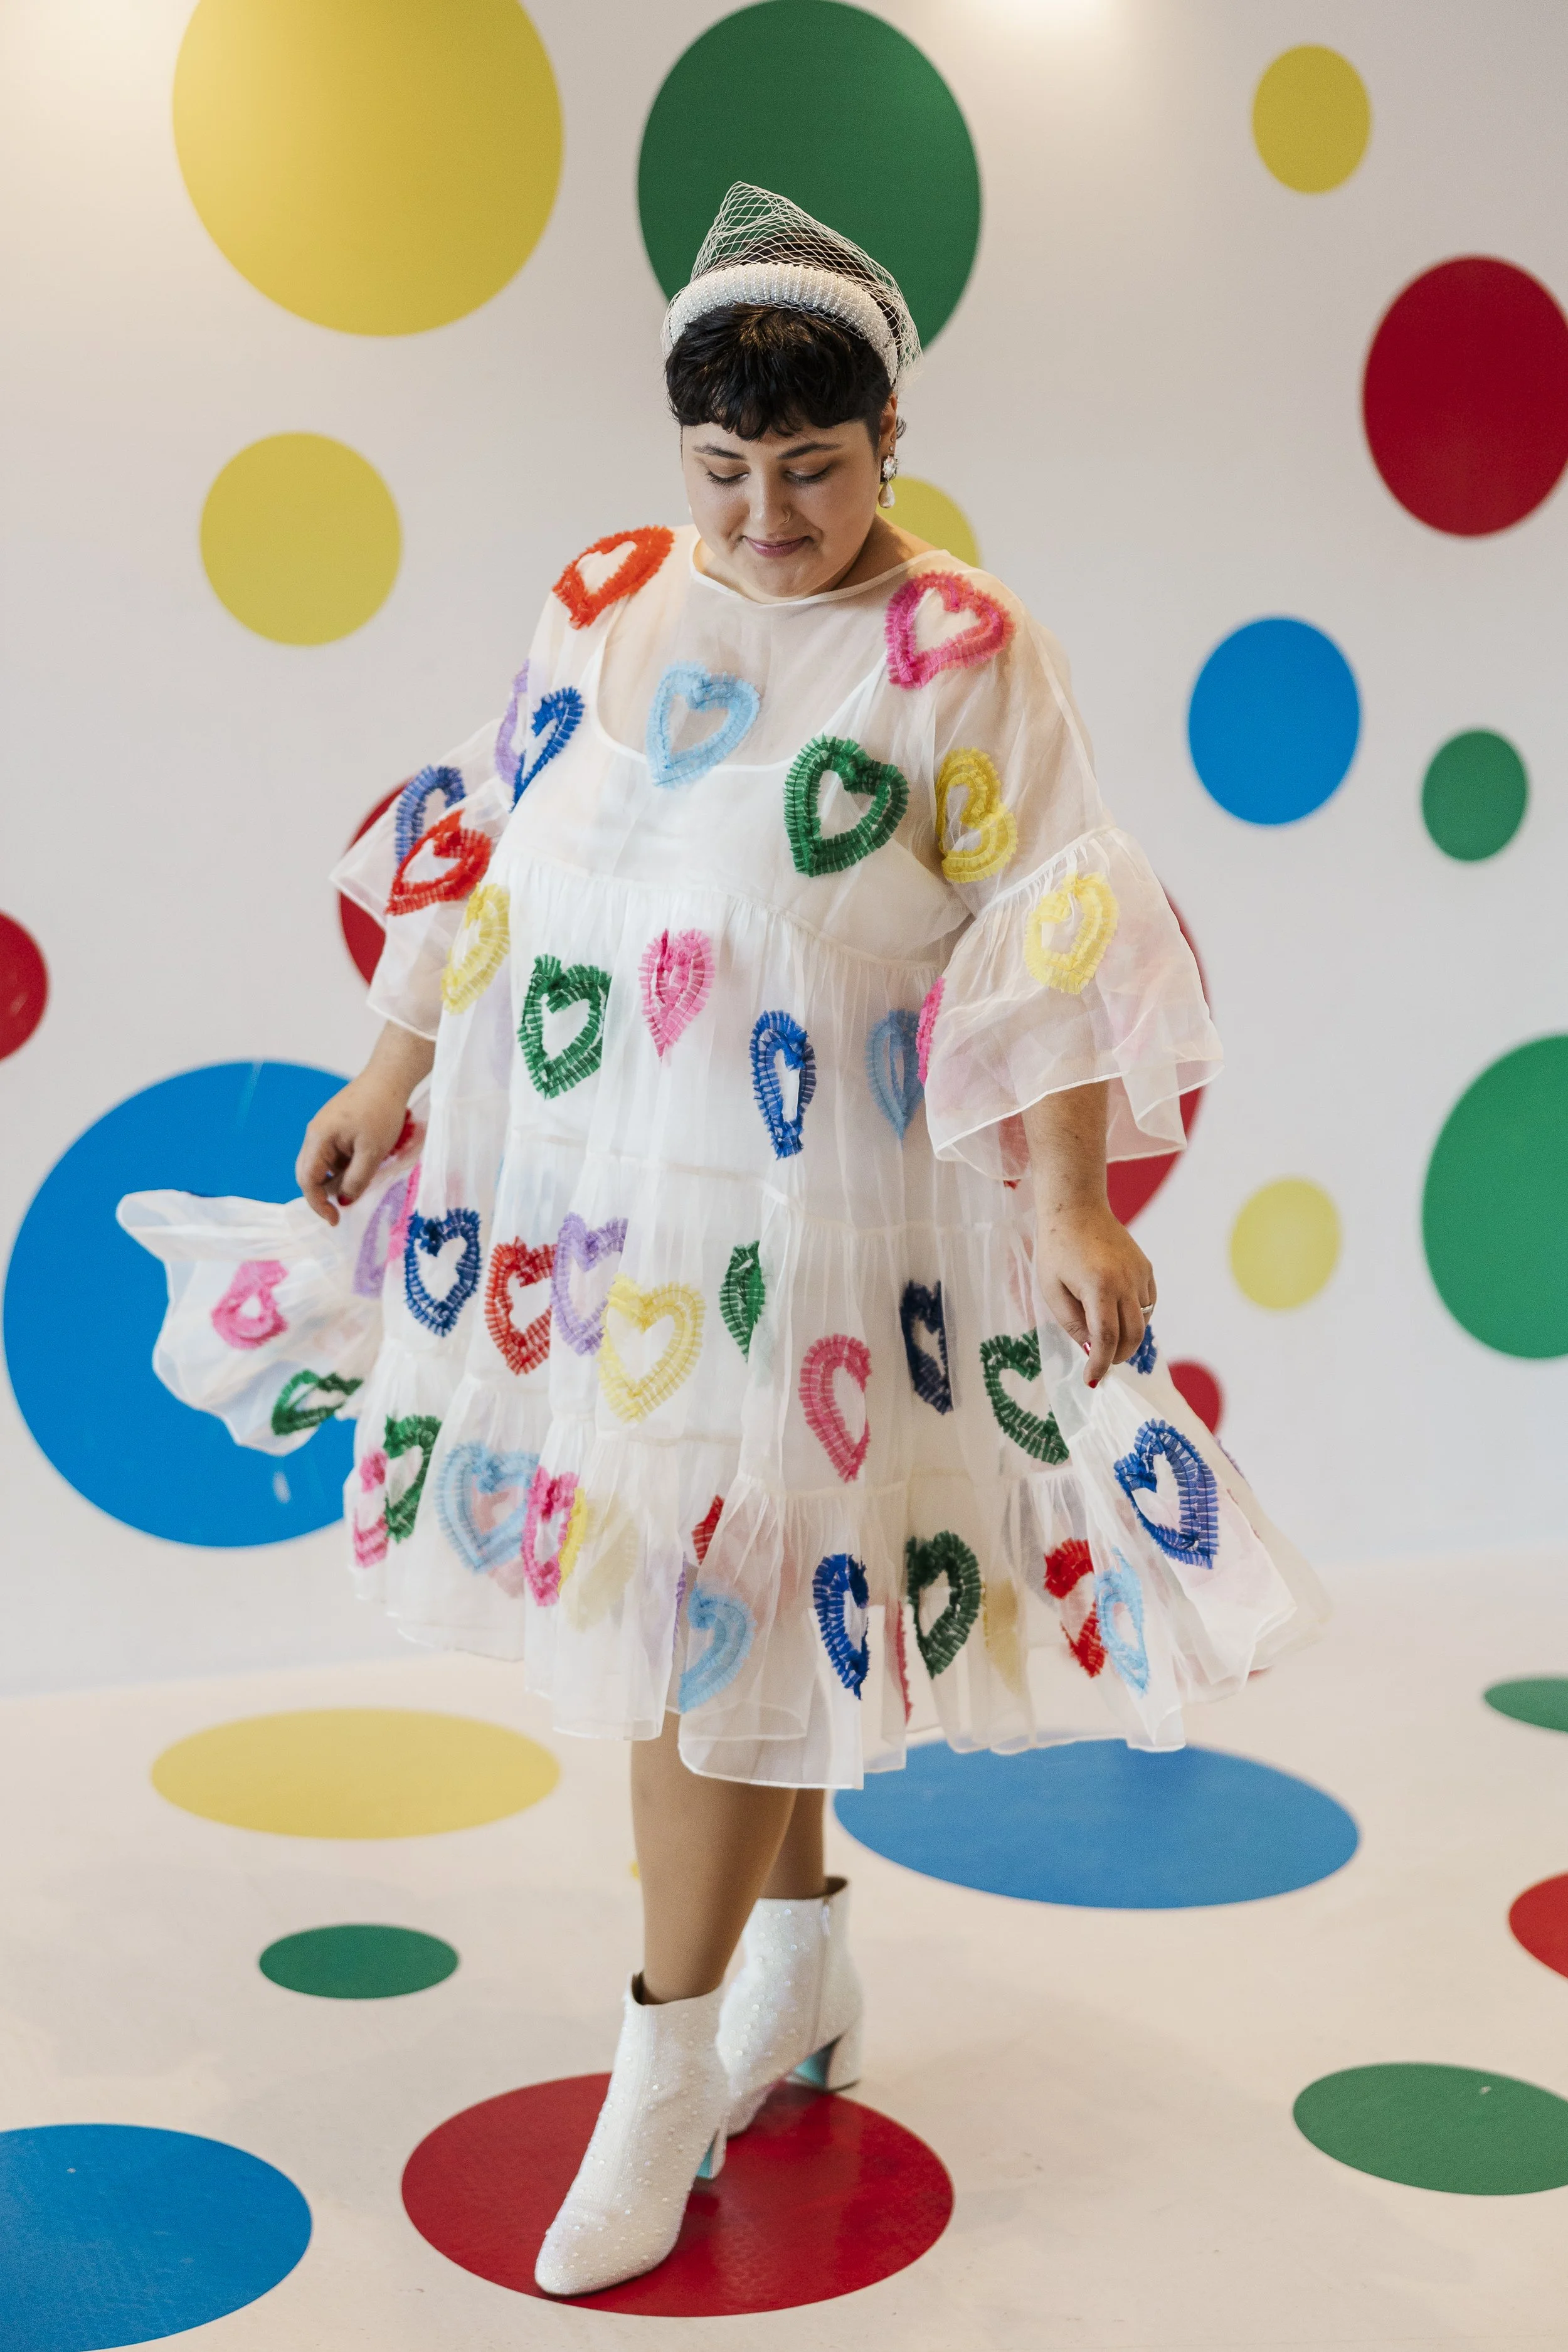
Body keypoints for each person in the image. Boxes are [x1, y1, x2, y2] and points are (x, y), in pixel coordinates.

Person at [122, 186, 1323, 2298]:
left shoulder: (963, 647)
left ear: (889, 442)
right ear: (674, 457)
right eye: (723, 472)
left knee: (714, 1613)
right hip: (602, 1191)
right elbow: (484, 847)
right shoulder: (601, 598)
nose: (768, 516)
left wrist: (1058, 1194)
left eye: (816, 471)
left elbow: (1048, 923)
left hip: (831, 1201)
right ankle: (803, 1955)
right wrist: (384, 1077)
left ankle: (661, 2068)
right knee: (744, 1606)